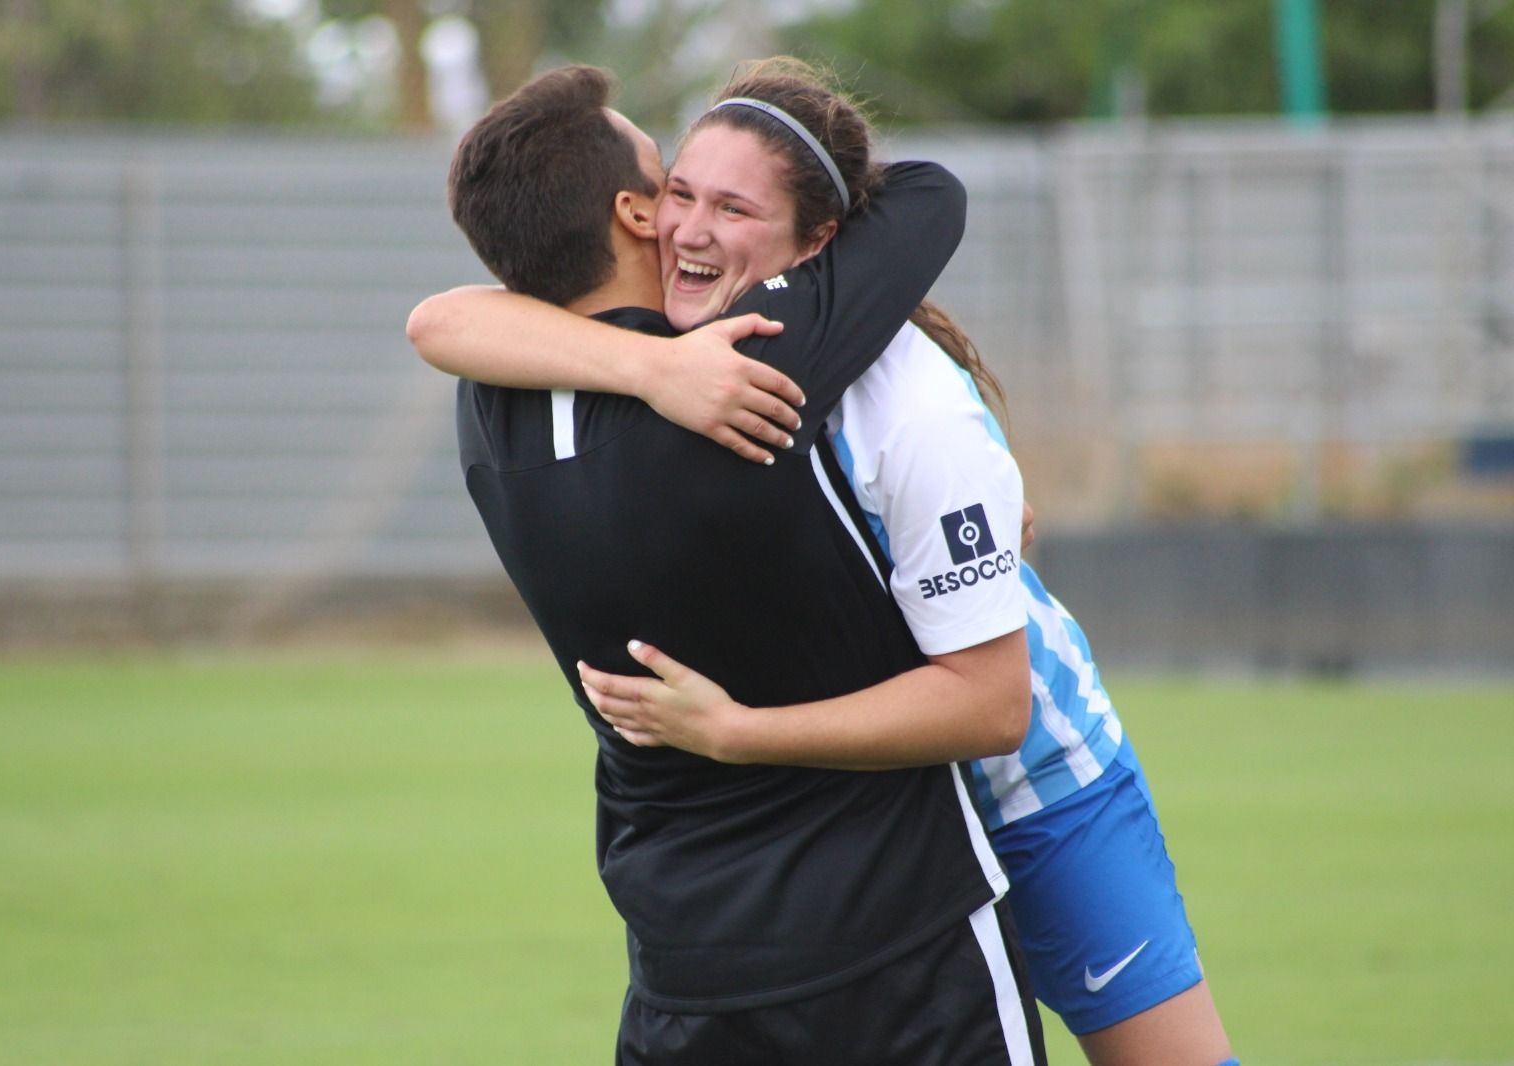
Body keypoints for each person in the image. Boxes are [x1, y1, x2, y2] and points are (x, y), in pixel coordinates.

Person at [416, 58, 1238, 1066]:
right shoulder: (640, 368)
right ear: (636, 212)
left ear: (821, 242)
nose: (687, 227)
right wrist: (657, 365)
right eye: (678, 191)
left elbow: (994, 697)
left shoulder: (871, 373)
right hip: (883, 829)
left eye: (732, 205)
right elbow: (441, 318)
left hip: (1033, 785)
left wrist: (741, 728)